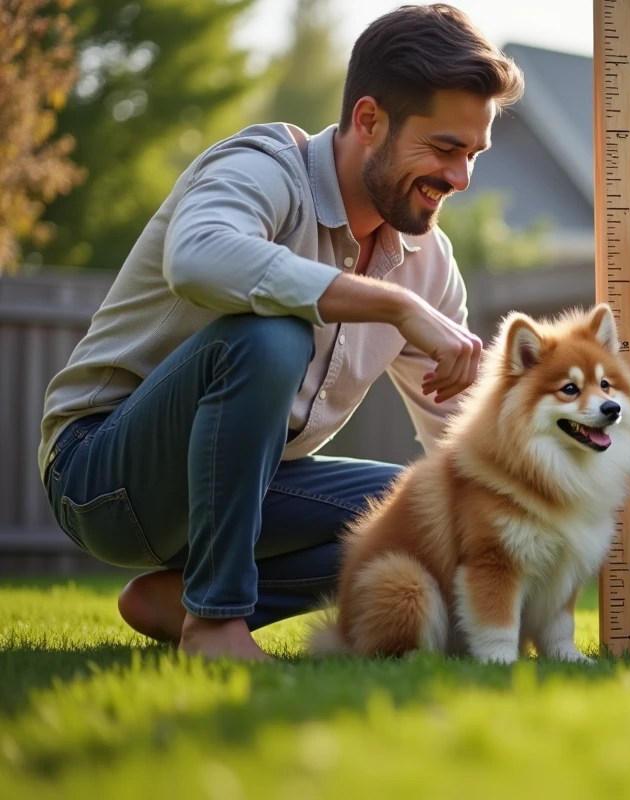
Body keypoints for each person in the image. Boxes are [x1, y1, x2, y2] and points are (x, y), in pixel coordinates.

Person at [37, 4, 524, 661]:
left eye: (473, 154)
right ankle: (215, 624)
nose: (460, 178)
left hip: (257, 489)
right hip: (105, 475)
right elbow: (199, 256)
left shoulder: (428, 261)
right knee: (272, 336)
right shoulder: (264, 166)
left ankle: (182, 598)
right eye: (444, 148)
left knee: (435, 507)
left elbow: (463, 437)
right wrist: (392, 307)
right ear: (369, 120)